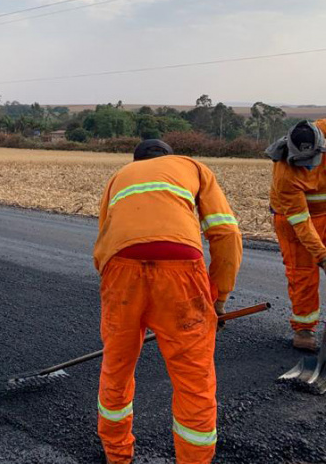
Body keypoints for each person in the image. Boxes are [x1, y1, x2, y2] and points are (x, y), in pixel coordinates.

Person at [93, 139, 242, 464]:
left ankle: (117, 455)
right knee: (194, 380)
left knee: (116, 368)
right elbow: (226, 233)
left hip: (120, 271)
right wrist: (218, 297)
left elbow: (104, 240)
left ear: (136, 161)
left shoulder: (119, 177)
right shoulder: (192, 168)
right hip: (181, 271)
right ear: (170, 157)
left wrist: (122, 292)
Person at [267, 120, 326, 352]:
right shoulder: (285, 174)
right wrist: (322, 257)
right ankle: (304, 329)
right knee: (302, 272)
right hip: (293, 220)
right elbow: (301, 223)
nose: (308, 167)